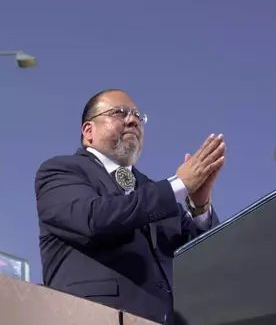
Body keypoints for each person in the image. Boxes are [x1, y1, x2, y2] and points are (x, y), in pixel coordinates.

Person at [34, 89, 224, 324]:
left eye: (137, 115)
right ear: (88, 131)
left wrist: (199, 205)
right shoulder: (61, 171)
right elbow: (93, 218)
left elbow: (202, 256)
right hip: (90, 317)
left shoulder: (155, 192)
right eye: (119, 113)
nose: (133, 120)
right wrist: (179, 185)